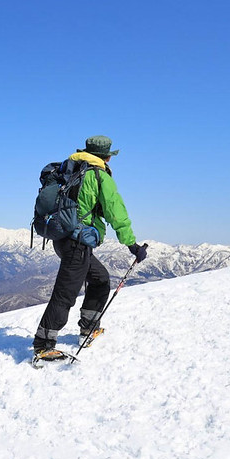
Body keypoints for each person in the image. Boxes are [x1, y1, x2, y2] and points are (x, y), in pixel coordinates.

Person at [33, 136, 147, 361]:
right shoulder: (98, 175)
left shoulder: (72, 169)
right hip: (77, 242)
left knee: (101, 279)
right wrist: (132, 245)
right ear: (106, 157)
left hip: (62, 237)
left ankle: (88, 328)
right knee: (65, 293)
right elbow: (116, 213)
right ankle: (43, 345)